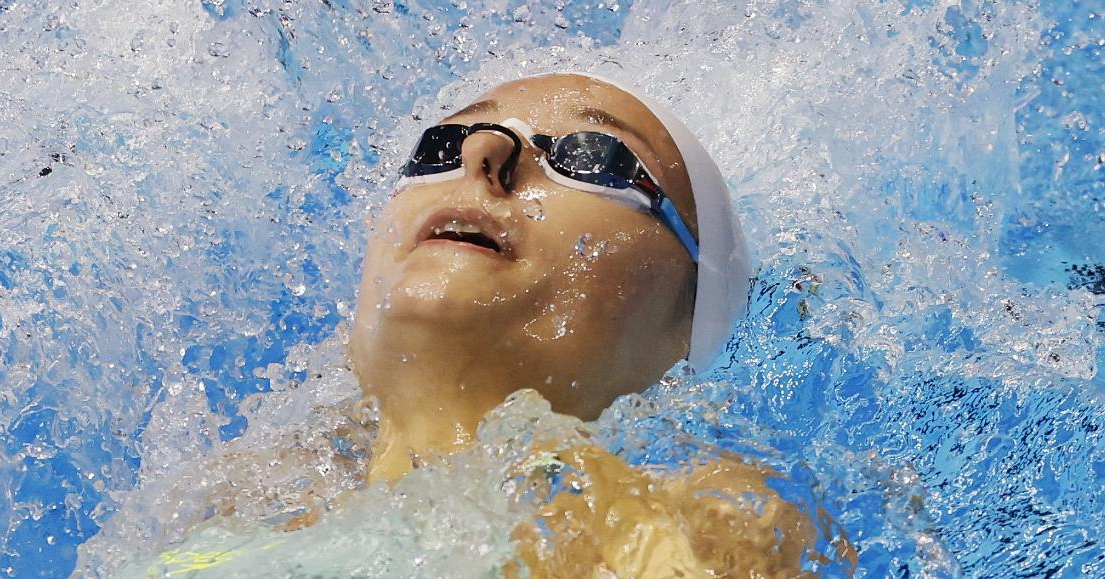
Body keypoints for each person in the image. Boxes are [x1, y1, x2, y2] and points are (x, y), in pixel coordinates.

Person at [346, 72, 853, 575]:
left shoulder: (716, 521)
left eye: (590, 155)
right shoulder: (300, 486)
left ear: (688, 330)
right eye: (440, 146)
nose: (481, 149)